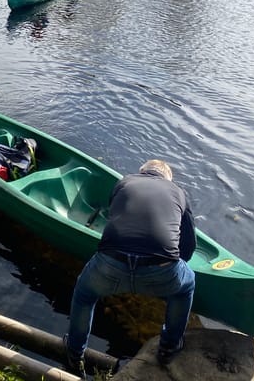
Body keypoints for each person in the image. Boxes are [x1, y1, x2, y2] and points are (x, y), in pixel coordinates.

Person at [64, 160, 196, 374]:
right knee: (186, 287)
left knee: (85, 295)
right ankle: (169, 346)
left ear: (142, 172)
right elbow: (188, 248)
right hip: (160, 268)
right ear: (167, 179)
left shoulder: (124, 182)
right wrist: (170, 265)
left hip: (111, 262)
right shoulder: (178, 193)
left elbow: (116, 214)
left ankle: (74, 353)